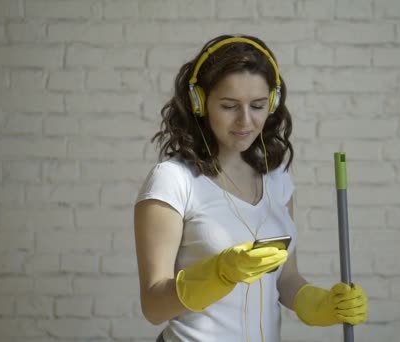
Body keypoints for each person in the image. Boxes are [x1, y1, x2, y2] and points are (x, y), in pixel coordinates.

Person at [133, 34, 368, 342]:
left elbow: (285, 278)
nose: (245, 121)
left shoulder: (277, 179)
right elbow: (153, 306)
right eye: (229, 106)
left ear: (273, 102)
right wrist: (219, 273)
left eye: (257, 105)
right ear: (199, 103)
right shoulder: (172, 181)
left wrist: (321, 303)